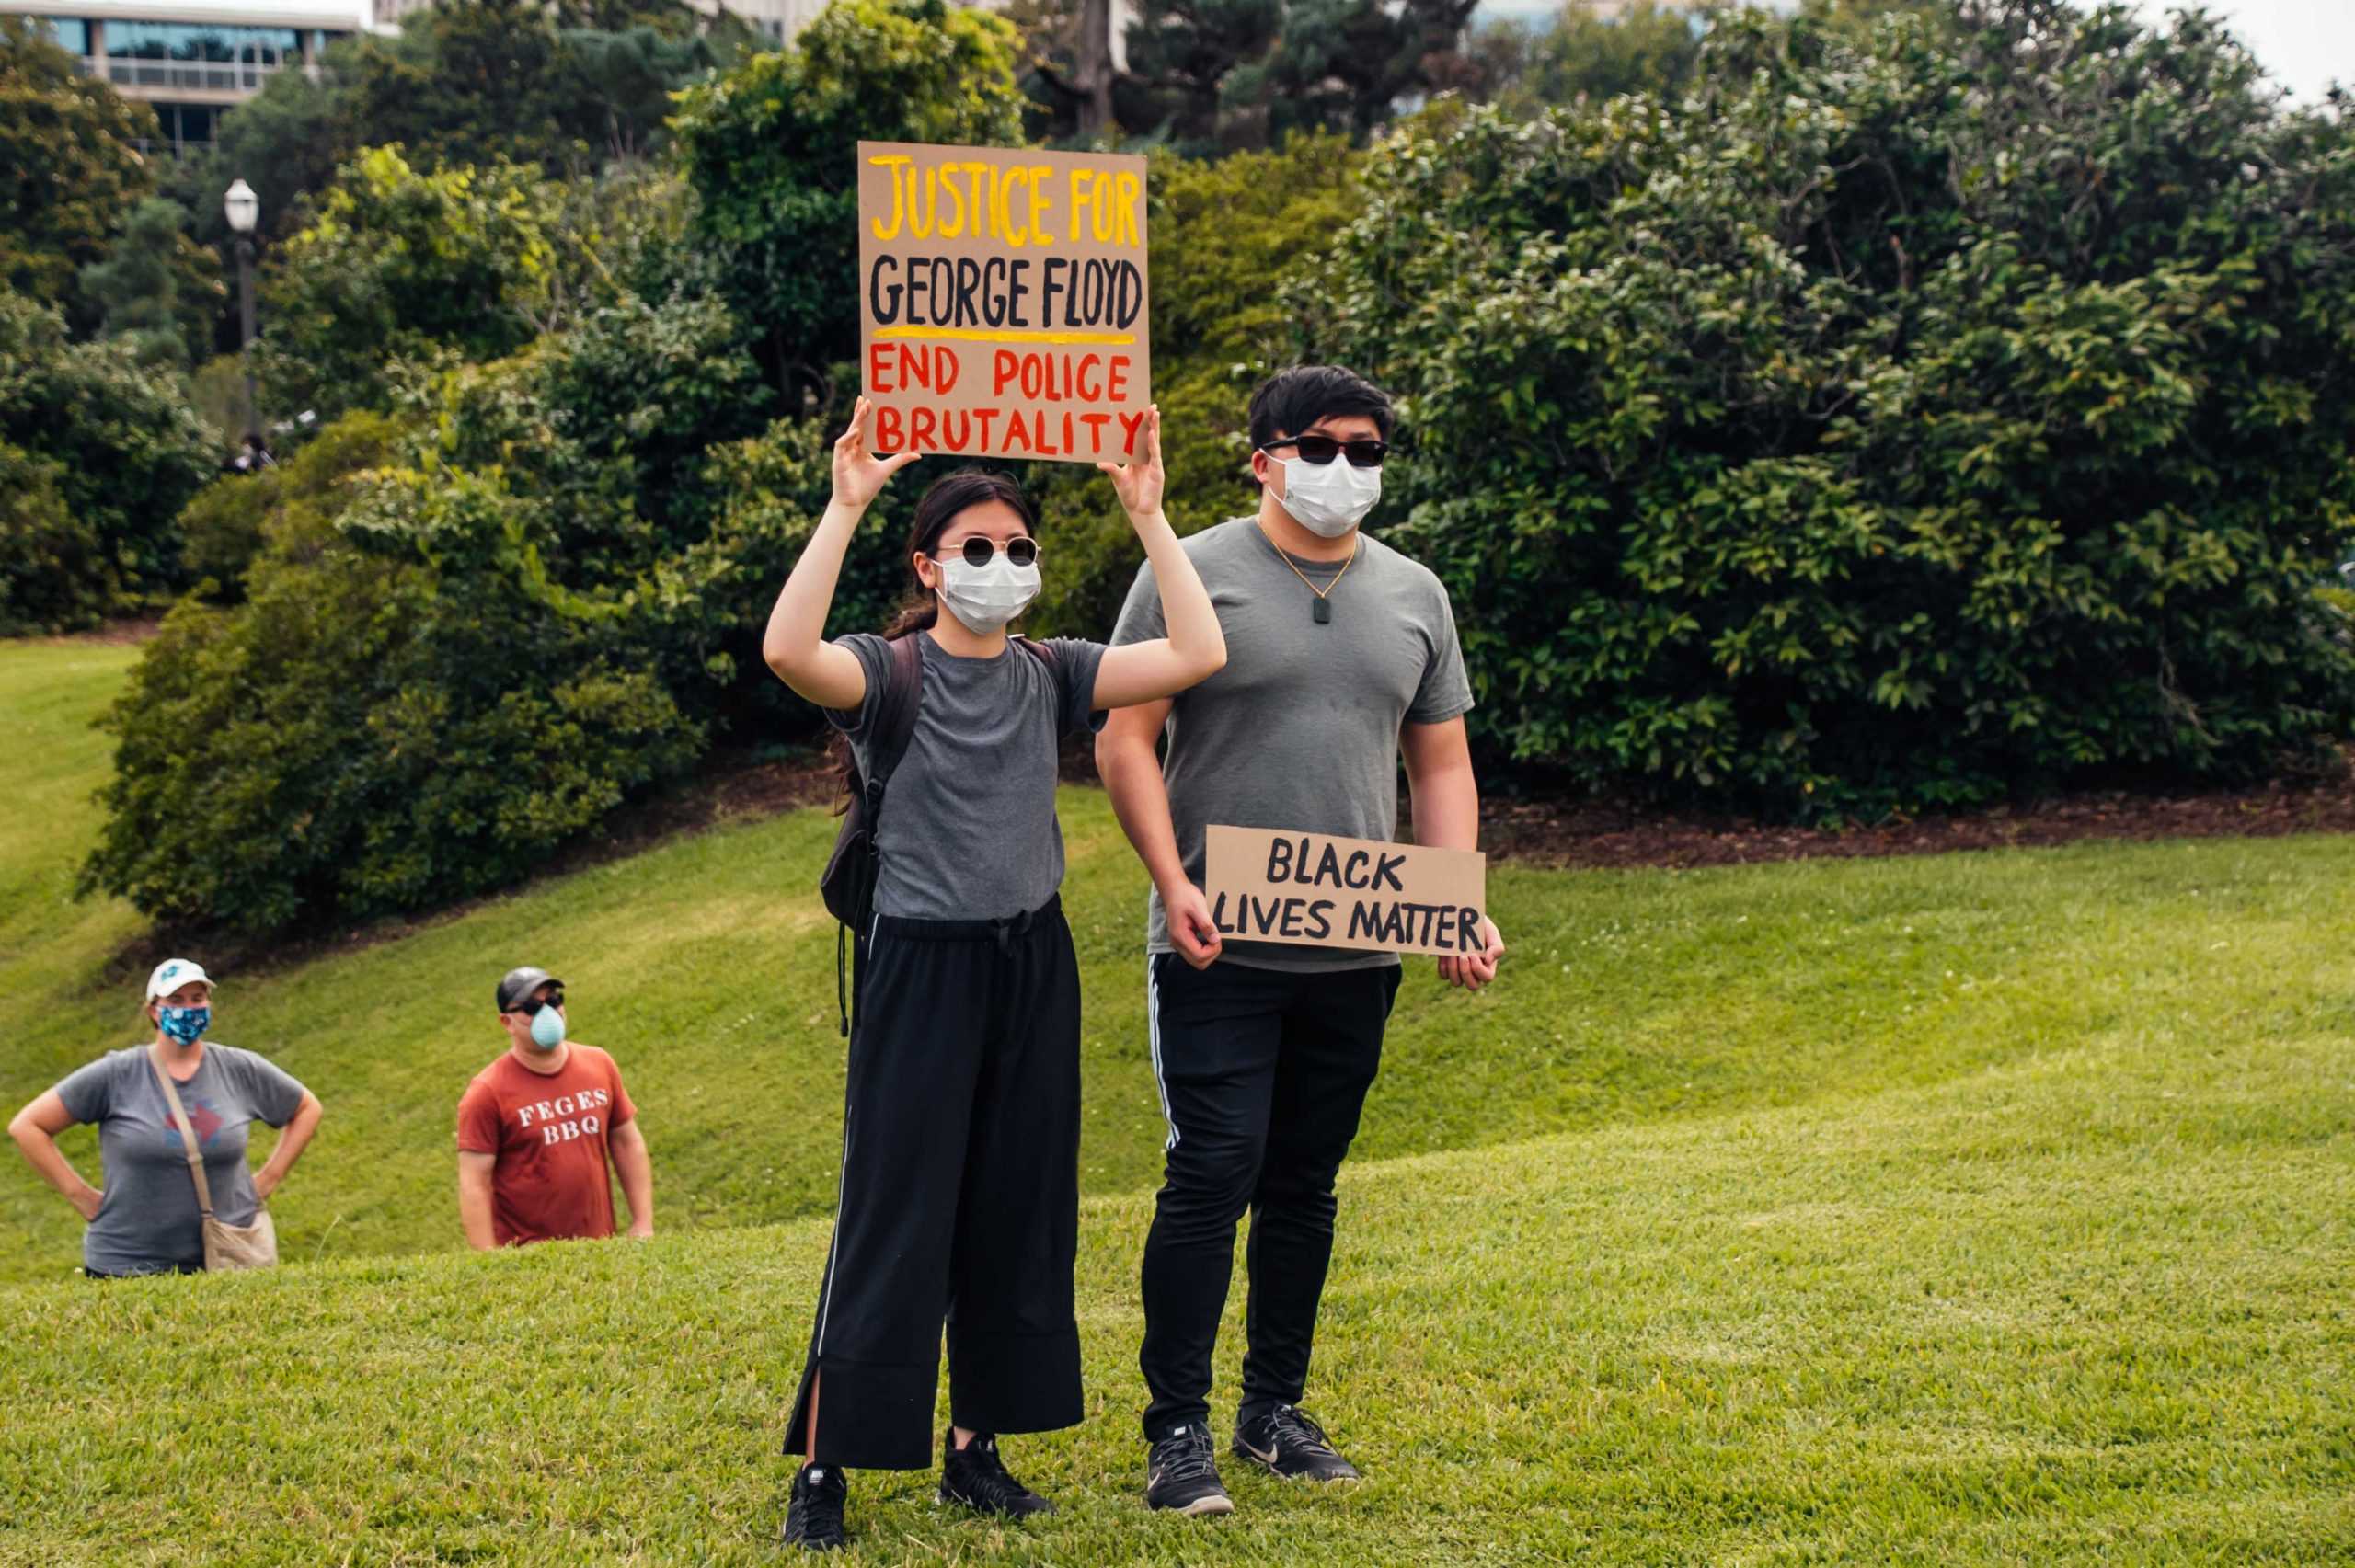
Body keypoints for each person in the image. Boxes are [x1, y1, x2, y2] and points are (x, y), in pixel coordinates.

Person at [760, 397, 1225, 1551]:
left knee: (1018, 1206)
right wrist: (844, 501)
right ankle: (825, 1465)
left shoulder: (1052, 669)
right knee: (892, 1211)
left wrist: (1150, 517)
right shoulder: (886, 672)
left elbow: (1202, 652)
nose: (1002, 565)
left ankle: (977, 1451)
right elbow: (785, 651)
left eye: (1019, 549)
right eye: (977, 548)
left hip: (1031, 962)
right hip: (920, 969)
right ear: (929, 563)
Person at [1097, 365, 1507, 1516]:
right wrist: (1170, 879)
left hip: (1357, 944)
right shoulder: (1191, 572)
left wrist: (1454, 900)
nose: (1346, 468)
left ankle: (1270, 1408)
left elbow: (1441, 764)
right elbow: (1124, 742)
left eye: (1367, 449)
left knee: (1305, 1184)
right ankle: (1174, 1427)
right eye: (1322, 445)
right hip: (1214, 943)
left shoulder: (1416, 594)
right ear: (1262, 454)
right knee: (1209, 1172)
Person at [7, 958, 323, 1278]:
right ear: (153, 1011)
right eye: (175, 1001)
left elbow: (306, 1108)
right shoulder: (117, 1074)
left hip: (228, 1259)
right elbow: (28, 1126)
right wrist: (82, 1197)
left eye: (197, 999)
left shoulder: (240, 1068)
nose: (189, 1009)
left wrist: (269, 1178)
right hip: (128, 1266)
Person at [455, 967, 653, 1250]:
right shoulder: (487, 1092)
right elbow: (474, 1182)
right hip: (528, 1255)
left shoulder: (599, 1064)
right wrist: (488, 1262)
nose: (548, 1012)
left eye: (554, 1000)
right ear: (507, 1022)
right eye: (532, 1007)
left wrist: (643, 1222)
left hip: (601, 1247)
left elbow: (626, 1142)